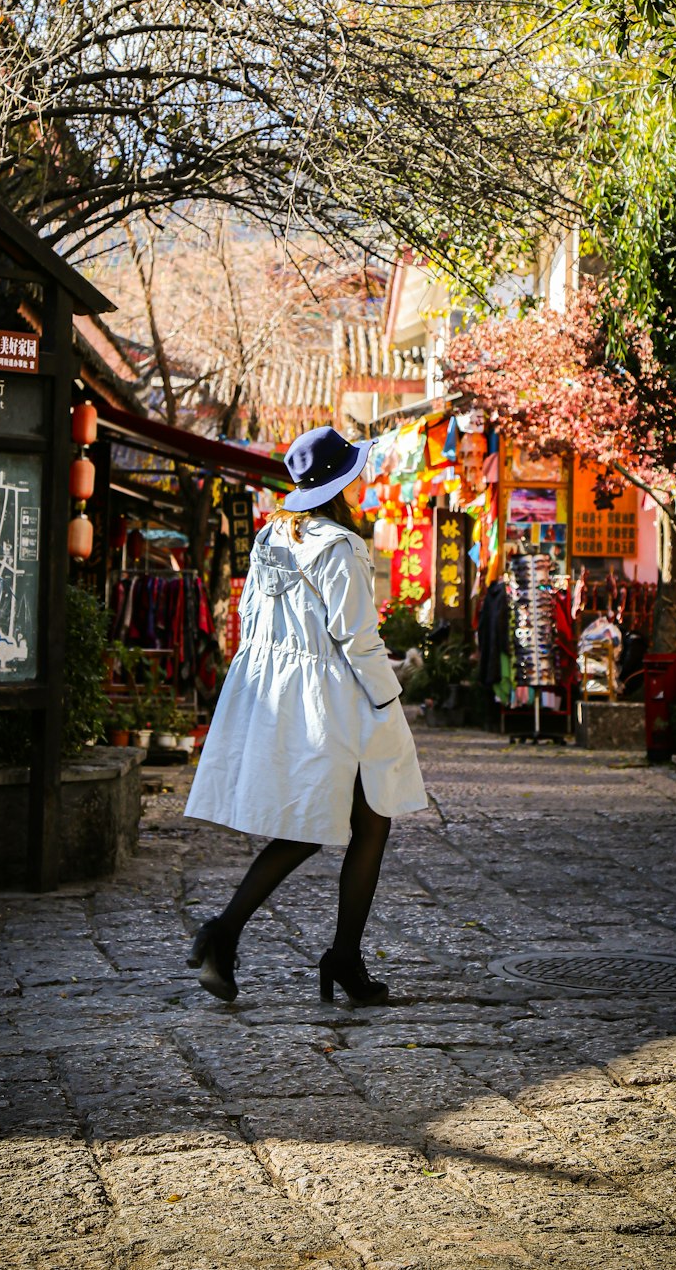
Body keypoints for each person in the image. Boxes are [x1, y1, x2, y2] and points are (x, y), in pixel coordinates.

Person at [184, 424, 428, 1006]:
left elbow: (256, 621)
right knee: (361, 820)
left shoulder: (272, 537)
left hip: (283, 697)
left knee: (334, 823)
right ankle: (298, 947)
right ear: (342, 483)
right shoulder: (340, 547)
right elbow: (356, 638)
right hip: (335, 700)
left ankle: (314, 949)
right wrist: (391, 700)